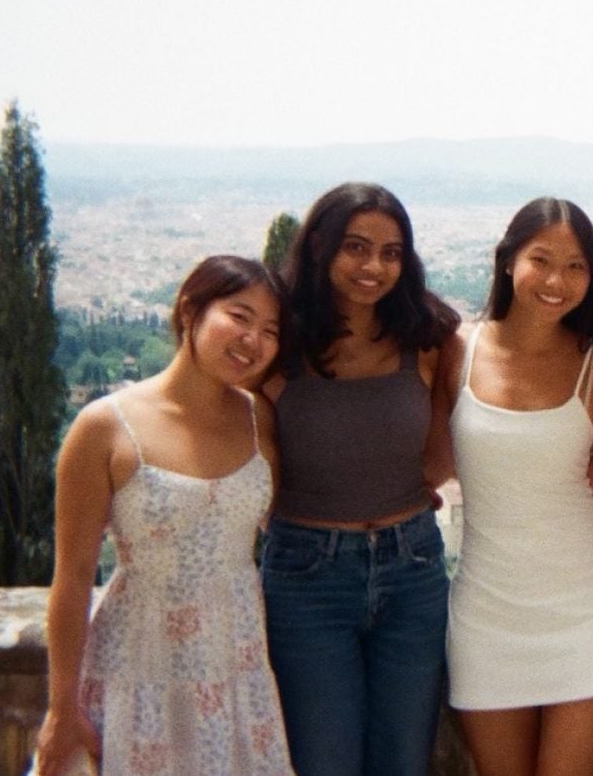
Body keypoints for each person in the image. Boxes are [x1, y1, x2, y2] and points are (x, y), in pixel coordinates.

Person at [35, 255, 292, 776]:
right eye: (239, 317)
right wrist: (62, 708)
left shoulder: (258, 418)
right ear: (189, 310)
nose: (253, 340)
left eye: (270, 330)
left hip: (236, 662)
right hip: (139, 663)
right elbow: (73, 576)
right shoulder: (105, 427)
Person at [260, 182, 461, 776]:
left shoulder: (426, 340)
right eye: (356, 247)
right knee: (324, 761)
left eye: (392, 252)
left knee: (405, 760)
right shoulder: (279, 344)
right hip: (306, 577)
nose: (374, 266)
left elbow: (442, 451)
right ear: (320, 246)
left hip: (413, 567)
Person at [444, 197, 593, 775]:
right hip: (485, 612)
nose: (558, 280)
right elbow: (427, 463)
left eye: (577, 266)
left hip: (586, 609)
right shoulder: (455, 350)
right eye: (541, 259)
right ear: (507, 261)